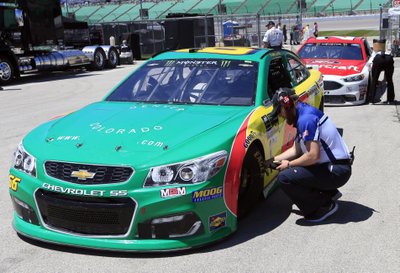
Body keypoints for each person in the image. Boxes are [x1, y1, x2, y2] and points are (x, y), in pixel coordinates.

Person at [271, 88, 353, 223]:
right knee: (295, 169)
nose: (281, 116)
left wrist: (289, 164)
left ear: (287, 105)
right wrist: (273, 160)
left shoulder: (305, 119)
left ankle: (323, 207)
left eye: (280, 111)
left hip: (337, 170)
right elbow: (296, 150)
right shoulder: (303, 113)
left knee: (285, 177)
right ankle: (328, 193)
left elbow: (313, 156)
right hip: (334, 167)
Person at [368, 40, 395, 104]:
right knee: (390, 81)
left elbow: (370, 62)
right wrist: (385, 79)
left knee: (374, 81)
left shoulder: (375, 51)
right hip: (389, 59)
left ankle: (372, 99)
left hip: (378, 60)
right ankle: (390, 99)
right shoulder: (388, 47)